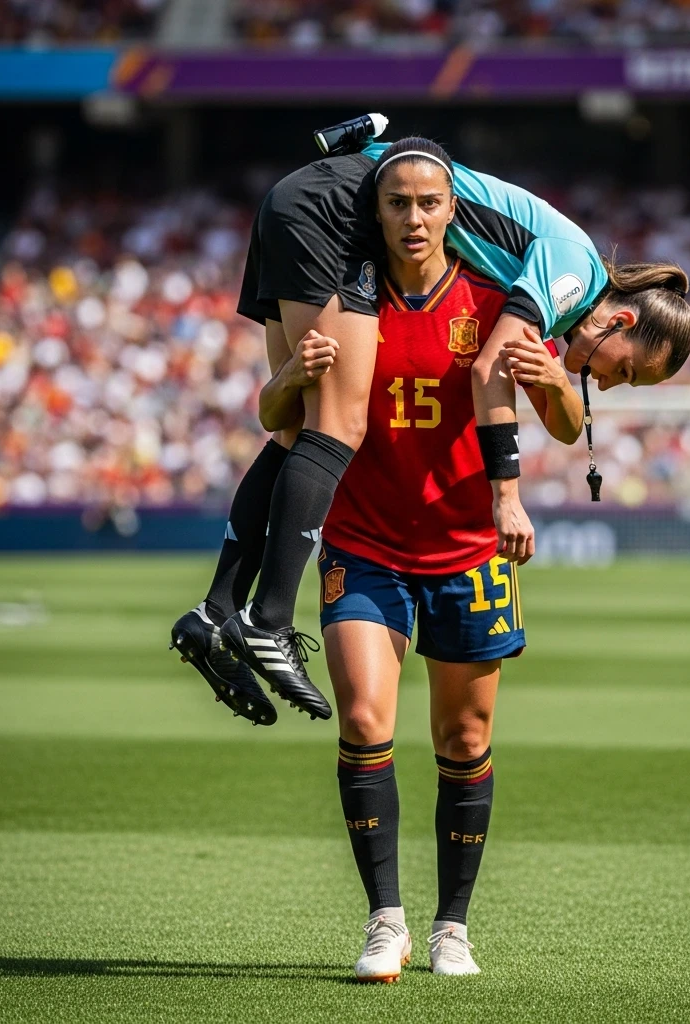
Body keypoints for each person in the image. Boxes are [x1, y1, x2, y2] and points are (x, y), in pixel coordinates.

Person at [172, 127, 690, 721]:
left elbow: (565, 419)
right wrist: (507, 496)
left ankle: (215, 613)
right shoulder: (574, 272)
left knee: (296, 429)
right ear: (621, 319)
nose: (604, 383)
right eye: (623, 371)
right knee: (337, 426)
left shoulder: (560, 292)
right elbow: (491, 365)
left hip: (307, 196)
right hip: (341, 207)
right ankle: (267, 620)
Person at [252, 141, 582, 981]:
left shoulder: (495, 298)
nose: (413, 218)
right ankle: (385, 921)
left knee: (463, 735)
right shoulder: (343, 298)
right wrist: (293, 372)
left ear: (451, 212)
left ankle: (453, 928)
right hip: (364, 545)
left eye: (429, 203)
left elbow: (571, 422)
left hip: (468, 551)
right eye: (396, 203)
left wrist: (553, 381)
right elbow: (274, 417)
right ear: (377, 211)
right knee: (365, 720)